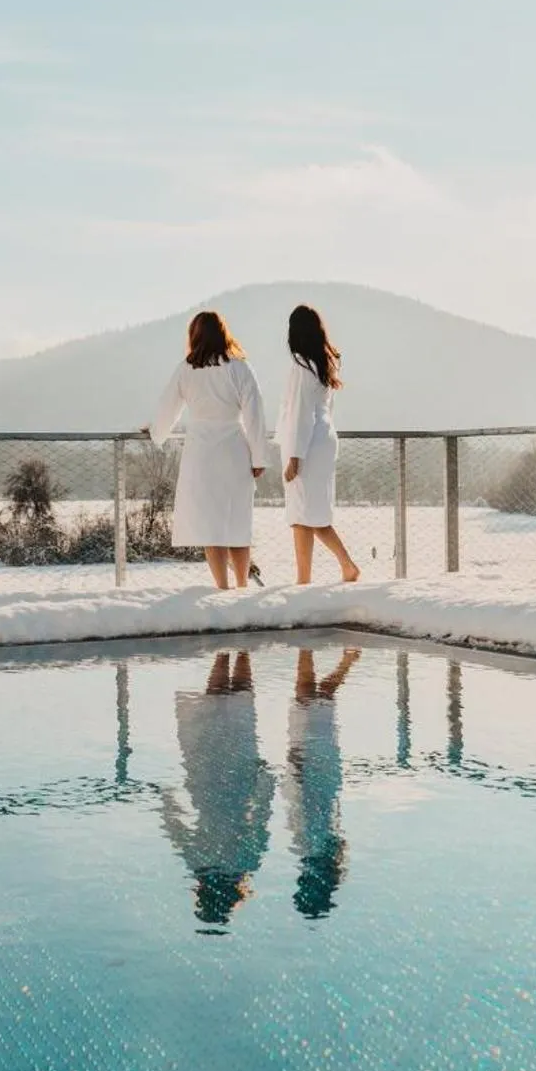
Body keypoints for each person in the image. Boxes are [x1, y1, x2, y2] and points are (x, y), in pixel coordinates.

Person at [150, 311, 269, 588]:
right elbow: (255, 414)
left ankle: (222, 588)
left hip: (201, 452)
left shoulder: (186, 369)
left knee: (210, 526)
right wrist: (259, 456)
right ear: (223, 333)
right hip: (234, 450)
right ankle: (242, 587)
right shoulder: (240, 368)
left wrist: (156, 433)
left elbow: (167, 408)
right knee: (237, 523)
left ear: (194, 335)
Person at [158, 651, 275, 928]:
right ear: (202, 895)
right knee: (213, 705)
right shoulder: (198, 863)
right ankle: (224, 648)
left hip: (239, 784)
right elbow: (175, 827)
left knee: (241, 703)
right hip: (206, 784)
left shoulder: (246, 863)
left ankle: (243, 646)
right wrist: (165, 798)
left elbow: (260, 819)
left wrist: (266, 780)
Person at [276, 304, 360, 584]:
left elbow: (300, 413)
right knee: (313, 511)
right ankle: (337, 568)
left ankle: (310, 577)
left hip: (307, 442)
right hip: (324, 437)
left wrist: (295, 455)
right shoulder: (324, 363)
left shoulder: (301, 366)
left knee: (302, 513)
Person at [286, 646, 359, 918]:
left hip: (327, 773)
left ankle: (346, 660)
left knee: (322, 699)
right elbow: (301, 804)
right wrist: (295, 768)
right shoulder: (308, 848)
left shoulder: (332, 856)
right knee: (307, 697)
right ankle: (306, 646)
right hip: (310, 773)